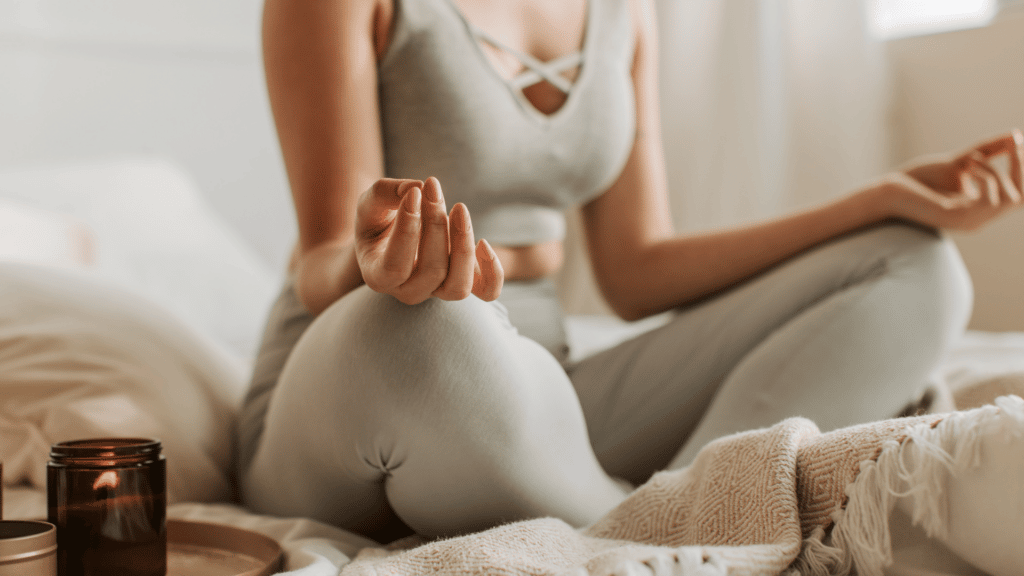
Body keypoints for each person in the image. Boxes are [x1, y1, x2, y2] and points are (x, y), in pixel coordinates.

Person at [236, 0, 1024, 543]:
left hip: (535, 390)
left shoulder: (621, 10)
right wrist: (381, 264)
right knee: (430, 329)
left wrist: (882, 201)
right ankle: (642, 521)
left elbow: (637, 270)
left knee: (916, 263)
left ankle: (694, 512)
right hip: (356, 382)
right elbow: (320, 266)